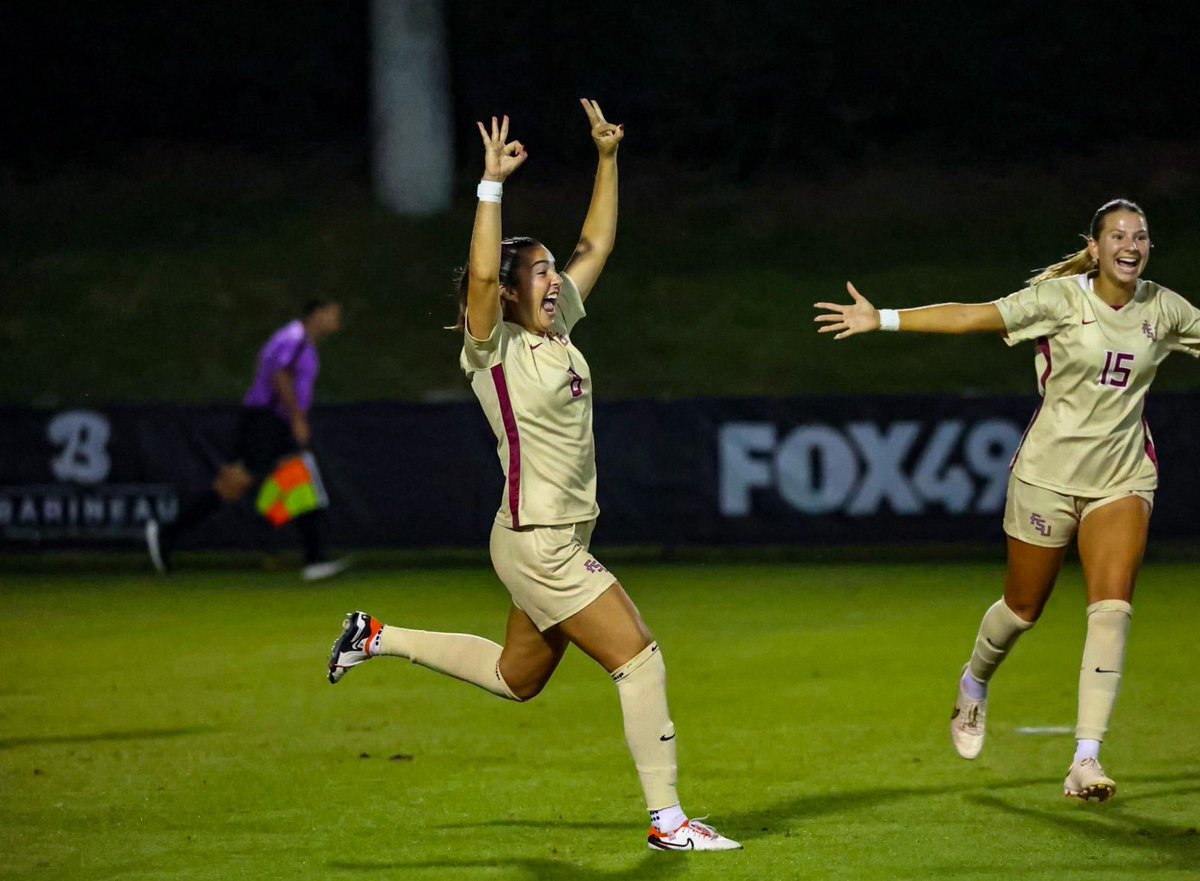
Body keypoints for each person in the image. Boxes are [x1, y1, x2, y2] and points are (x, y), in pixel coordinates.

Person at [328, 100, 740, 851]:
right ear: (513, 293)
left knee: (518, 676)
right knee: (640, 658)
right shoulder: (496, 349)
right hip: (542, 539)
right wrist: (490, 186)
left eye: (554, 270)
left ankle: (375, 635)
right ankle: (669, 820)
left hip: (538, 536)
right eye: (542, 272)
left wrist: (608, 159)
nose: (556, 280)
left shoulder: (559, 331)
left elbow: (597, 242)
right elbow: (482, 274)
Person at [814, 199, 1200, 802]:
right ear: (1094, 248)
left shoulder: (1165, 307)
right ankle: (974, 682)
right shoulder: (1059, 301)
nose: (1132, 244)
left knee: (1112, 608)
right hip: (1047, 475)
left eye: (1142, 236)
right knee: (1023, 608)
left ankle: (1086, 757)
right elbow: (971, 316)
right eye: (1118, 235)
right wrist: (882, 319)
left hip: (1122, 477)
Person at [145, 299, 350, 581]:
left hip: (270, 422)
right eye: (332, 314)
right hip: (267, 422)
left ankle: (314, 558)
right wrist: (297, 418)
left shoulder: (299, 340)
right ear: (316, 314)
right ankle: (167, 533)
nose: (337, 320)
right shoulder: (295, 338)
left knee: (297, 477)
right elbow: (280, 376)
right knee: (237, 483)